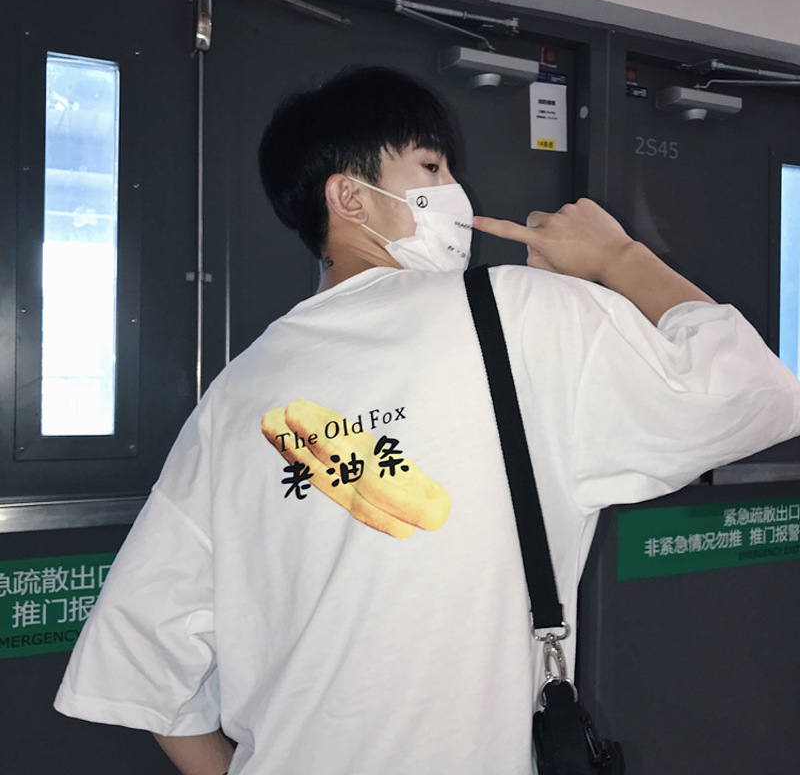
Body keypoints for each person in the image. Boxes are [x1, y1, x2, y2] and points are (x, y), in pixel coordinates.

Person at [54, 67, 800, 775]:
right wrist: (618, 256)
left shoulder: (238, 391)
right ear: (349, 197)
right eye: (432, 167)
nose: (458, 194)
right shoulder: (517, 313)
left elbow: (148, 658)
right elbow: (754, 392)